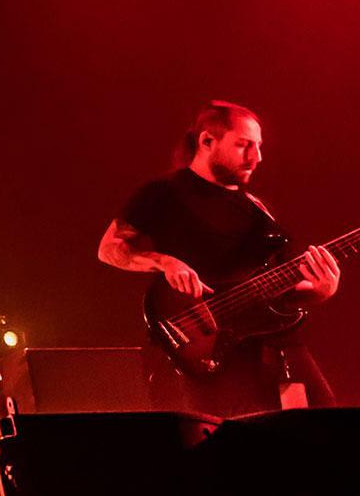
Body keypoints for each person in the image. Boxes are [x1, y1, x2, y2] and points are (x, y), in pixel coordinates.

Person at [99, 100, 339, 416]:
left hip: (278, 344)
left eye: (259, 146)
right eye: (244, 145)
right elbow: (109, 248)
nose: (257, 157)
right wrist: (164, 262)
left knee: (329, 433)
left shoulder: (255, 208)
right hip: (215, 351)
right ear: (207, 141)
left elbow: (278, 287)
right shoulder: (164, 193)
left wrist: (321, 291)